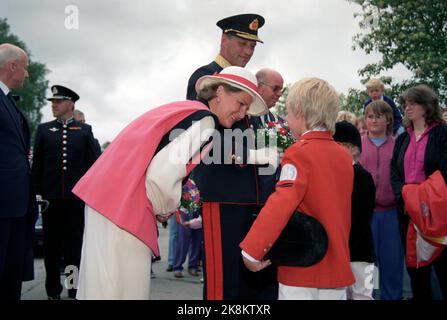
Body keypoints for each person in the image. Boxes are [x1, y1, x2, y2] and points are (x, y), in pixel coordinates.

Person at [71, 66, 269, 300]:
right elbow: (161, 177)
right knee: (122, 289)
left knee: (100, 286)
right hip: (123, 207)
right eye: (241, 103)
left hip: (106, 199)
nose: (243, 113)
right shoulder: (205, 121)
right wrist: (166, 208)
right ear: (220, 92)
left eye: (247, 108)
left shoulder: (187, 110)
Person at [240, 77, 355, 300]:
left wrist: (252, 250)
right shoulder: (343, 155)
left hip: (302, 269)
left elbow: (281, 204)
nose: (287, 120)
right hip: (337, 268)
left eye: (289, 114)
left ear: (300, 113)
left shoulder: (299, 152)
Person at [31, 85, 99, 300]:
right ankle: (53, 291)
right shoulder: (43, 130)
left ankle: (73, 289)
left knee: (74, 248)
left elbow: (94, 166)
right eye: (52, 102)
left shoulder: (84, 131)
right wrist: (37, 194)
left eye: (58, 102)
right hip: (51, 201)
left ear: (70, 104)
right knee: (51, 248)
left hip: (75, 201)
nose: (54, 105)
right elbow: (37, 167)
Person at [390, 84, 447, 300]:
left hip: (436, 212)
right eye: (405, 104)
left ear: (427, 106)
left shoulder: (442, 134)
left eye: (413, 103)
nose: (407, 108)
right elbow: (394, 172)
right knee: (416, 271)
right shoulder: (403, 138)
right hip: (408, 212)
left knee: (442, 267)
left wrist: (423, 198)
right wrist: (404, 198)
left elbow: (444, 170)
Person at [0, 43, 37, 300]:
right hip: (2, 205)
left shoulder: (7, 101)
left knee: (10, 274)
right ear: (12, 66)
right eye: (24, 68)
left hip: (14, 206)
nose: (26, 75)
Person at [359, 100, 404, 300]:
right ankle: (369, 297)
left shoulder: (399, 145)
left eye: (378, 116)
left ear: (388, 120)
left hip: (392, 212)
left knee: (392, 263)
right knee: (367, 265)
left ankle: (391, 297)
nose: (374, 120)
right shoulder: (357, 144)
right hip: (364, 215)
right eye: (370, 116)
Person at [333, 121, 376, 300]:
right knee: (338, 294)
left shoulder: (363, 176)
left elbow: (362, 217)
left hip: (361, 251)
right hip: (338, 250)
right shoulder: (332, 175)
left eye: (340, 146)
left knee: (363, 295)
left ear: (353, 149)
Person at [186, 13, 264, 100]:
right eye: (242, 44)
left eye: (252, 46)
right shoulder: (205, 77)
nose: (248, 52)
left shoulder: (246, 82)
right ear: (224, 40)